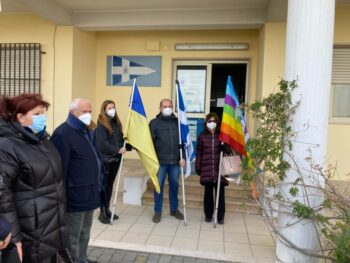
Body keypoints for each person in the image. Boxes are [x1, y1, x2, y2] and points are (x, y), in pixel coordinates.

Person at [0, 94, 66, 262]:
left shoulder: (43, 141)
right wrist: (14, 239)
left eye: (43, 113)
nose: (42, 117)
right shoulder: (8, 146)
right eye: (36, 114)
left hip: (51, 226)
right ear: (20, 117)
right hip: (29, 231)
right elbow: (3, 196)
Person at [51, 98, 100, 263]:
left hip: (89, 194)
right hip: (74, 197)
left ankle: (82, 259)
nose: (88, 114)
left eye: (90, 111)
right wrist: (61, 200)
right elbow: (59, 171)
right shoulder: (62, 133)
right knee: (72, 236)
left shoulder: (86, 131)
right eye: (84, 111)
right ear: (73, 112)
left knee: (85, 233)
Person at [149, 98, 185, 223]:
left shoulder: (178, 123)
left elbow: (183, 142)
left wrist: (183, 157)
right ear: (160, 108)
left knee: (174, 185)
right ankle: (157, 211)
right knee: (158, 187)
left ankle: (174, 209)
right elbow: (150, 143)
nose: (167, 108)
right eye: (165, 106)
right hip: (160, 162)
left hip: (175, 161)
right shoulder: (154, 123)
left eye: (169, 106)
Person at [94, 100, 129, 224]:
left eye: (113, 107)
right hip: (105, 160)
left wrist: (128, 145)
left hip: (115, 160)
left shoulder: (116, 123)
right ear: (104, 110)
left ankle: (107, 210)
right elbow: (103, 144)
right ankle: (102, 212)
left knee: (109, 186)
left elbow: (119, 140)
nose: (112, 109)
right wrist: (117, 149)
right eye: (109, 108)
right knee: (103, 187)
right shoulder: (101, 125)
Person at [195, 113, 232, 225]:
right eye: (209, 121)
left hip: (219, 169)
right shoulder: (202, 136)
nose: (212, 123)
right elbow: (199, 153)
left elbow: (229, 151)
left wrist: (224, 147)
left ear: (217, 123)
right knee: (208, 194)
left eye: (214, 121)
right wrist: (198, 166)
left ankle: (220, 217)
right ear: (206, 123)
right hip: (207, 168)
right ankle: (208, 215)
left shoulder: (222, 136)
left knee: (220, 194)